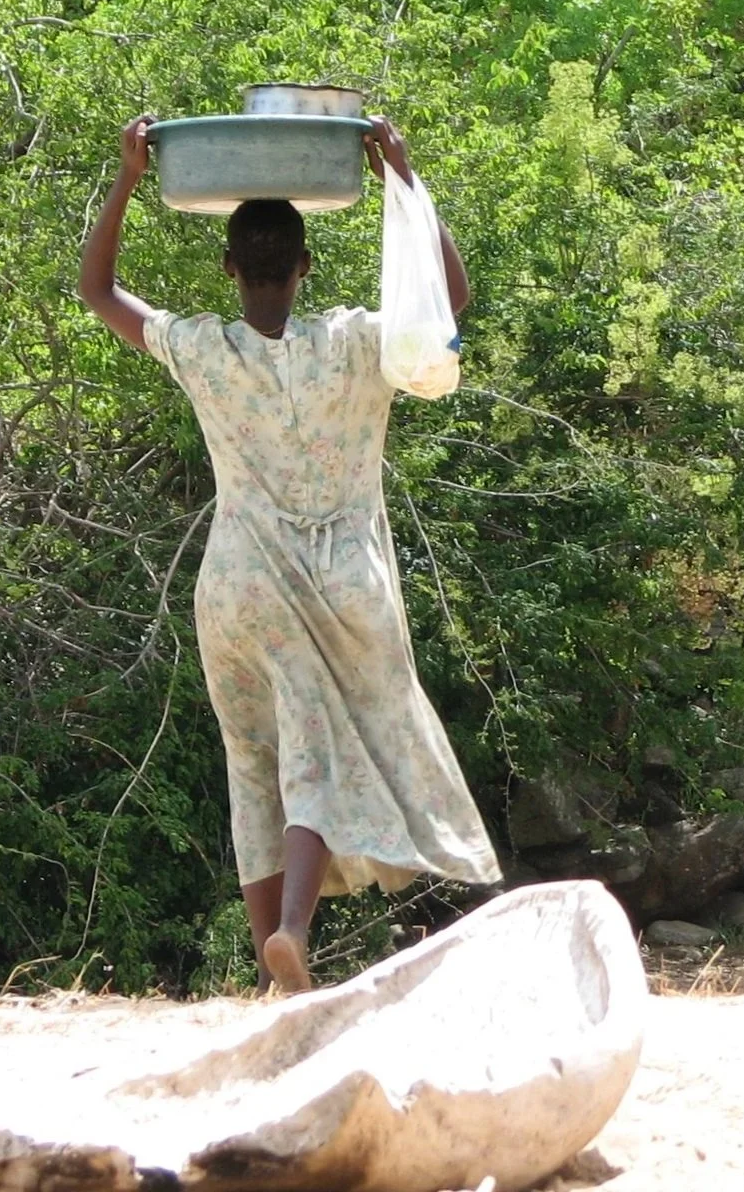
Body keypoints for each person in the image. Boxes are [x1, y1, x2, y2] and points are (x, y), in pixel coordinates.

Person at [78, 113, 500, 994]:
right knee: (320, 749)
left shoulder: (203, 348)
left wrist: (125, 175)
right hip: (342, 579)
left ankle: (273, 952)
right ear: (305, 267)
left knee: (255, 760)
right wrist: (403, 179)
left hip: (235, 582)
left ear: (227, 268)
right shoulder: (351, 343)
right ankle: (295, 935)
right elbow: (445, 303)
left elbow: (99, 291)